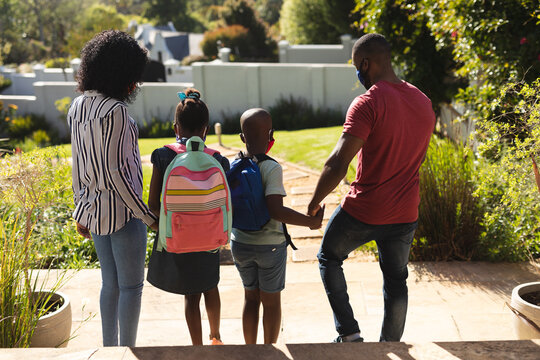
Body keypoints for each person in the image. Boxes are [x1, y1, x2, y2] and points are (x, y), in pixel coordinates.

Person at [307, 33, 436, 343]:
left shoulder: (368, 102)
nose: (358, 74)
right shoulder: (423, 101)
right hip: (405, 213)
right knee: (396, 281)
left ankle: (349, 334)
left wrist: (314, 202)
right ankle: (388, 347)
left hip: (364, 210)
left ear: (365, 63)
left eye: (357, 67)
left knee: (328, 257)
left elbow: (338, 162)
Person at [68, 30, 158, 347]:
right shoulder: (116, 112)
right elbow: (117, 173)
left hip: (95, 213)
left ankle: (109, 350)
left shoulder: (77, 106)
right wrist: (148, 217)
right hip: (124, 216)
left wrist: (81, 211)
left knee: (110, 285)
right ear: (123, 72)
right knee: (131, 287)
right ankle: (127, 351)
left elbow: (78, 164)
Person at [230, 108, 324, 344]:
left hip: (240, 243)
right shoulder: (271, 168)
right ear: (271, 134)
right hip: (269, 248)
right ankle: (269, 352)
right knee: (271, 303)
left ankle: (251, 352)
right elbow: (276, 210)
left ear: (242, 137)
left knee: (250, 298)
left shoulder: (233, 166)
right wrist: (311, 223)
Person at [146, 88, 229, 346]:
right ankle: (215, 336)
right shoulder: (218, 160)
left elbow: (152, 203)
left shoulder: (163, 155)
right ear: (205, 128)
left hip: (179, 236)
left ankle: (197, 349)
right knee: (210, 285)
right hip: (210, 237)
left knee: (190, 295)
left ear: (175, 127)